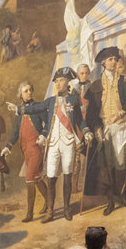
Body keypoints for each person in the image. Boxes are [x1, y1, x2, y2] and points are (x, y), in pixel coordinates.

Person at [84, 46, 126, 215]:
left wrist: (121, 113)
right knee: (107, 164)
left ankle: (121, 194)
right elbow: (91, 113)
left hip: (121, 126)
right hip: (104, 127)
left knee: (121, 162)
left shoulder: (124, 80)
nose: (114, 62)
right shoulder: (96, 85)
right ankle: (110, 200)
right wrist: (97, 128)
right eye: (111, 59)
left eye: (115, 59)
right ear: (104, 63)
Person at [40, 67, 91, 223]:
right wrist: (19, 109)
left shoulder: (73, 100)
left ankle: (67, 209)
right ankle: (50, 211)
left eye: (61, 80)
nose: (58, 84)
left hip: (68, 142)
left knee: (68, 176)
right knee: (51, 177)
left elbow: (79, 120)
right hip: (54, 143)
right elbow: (36, 109)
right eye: (56, 81)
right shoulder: (51, 101)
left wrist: (86, 131)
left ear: (68, 81)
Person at [2, 81, 50, 223]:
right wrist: (8, 146)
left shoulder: (37, 108)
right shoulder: (18, 111)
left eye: (30, 90)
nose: (29, 92)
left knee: (29, 177)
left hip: (36, 147)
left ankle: (30, 214)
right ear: (20, 94)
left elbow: (47, 124)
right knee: (36, 177)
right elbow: (15, 132)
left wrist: (43, 135)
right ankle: (49, 201)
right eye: (25, 91)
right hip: (25, 149)